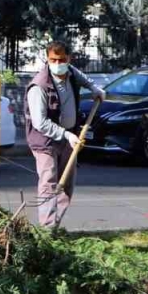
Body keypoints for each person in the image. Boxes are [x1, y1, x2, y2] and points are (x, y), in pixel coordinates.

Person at [23, 40, 106, 230]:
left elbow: (84, 79)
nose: (57, 63)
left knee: (67, 184)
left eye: (61, 59)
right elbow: (40, 122)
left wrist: (94, 89)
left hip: (70, 137)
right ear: (47, 58)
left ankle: (55, 224)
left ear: (69, 59)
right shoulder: (39, 86)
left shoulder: (71, 73)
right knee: (49, 183)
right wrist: (66, 135)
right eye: (53, 59)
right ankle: (47, 229)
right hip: (45, 141)